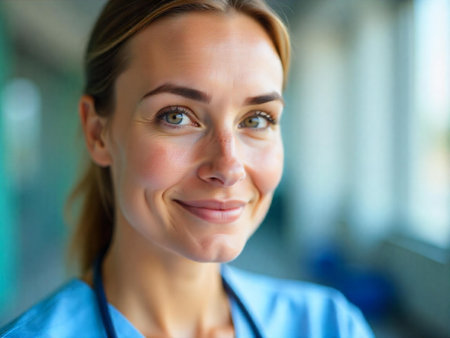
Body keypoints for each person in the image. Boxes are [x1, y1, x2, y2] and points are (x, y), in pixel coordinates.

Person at [0, 0, 374, 337]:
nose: (228, 167)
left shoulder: (329, 326)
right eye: (176, 116)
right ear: (98, 133)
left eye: (257, 119)